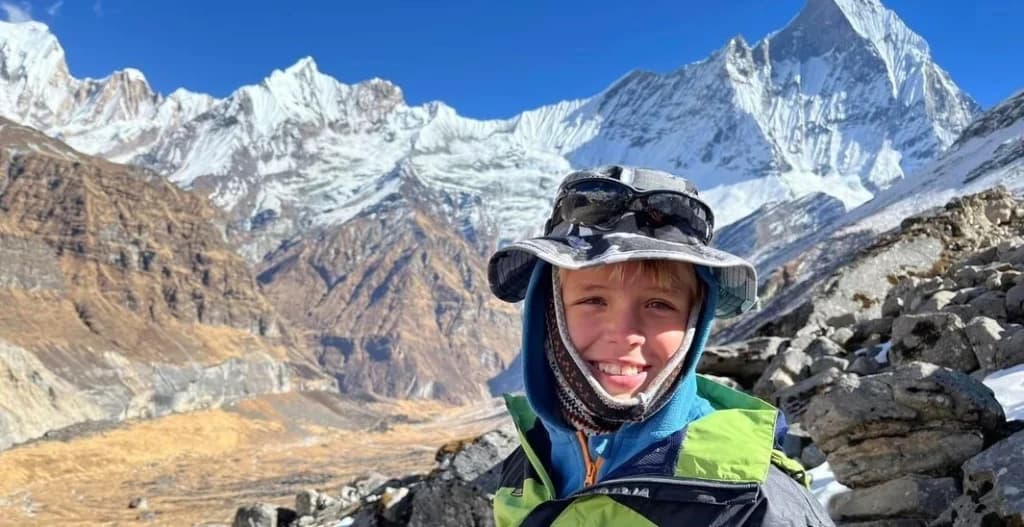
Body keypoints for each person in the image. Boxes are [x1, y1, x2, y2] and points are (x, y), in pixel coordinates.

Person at [487, 165, 834, 526]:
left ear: (695, 322)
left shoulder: (749, 505)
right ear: (548, 312)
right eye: (593, 301)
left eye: (659, 305)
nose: (624, 334)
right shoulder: (530, 462)